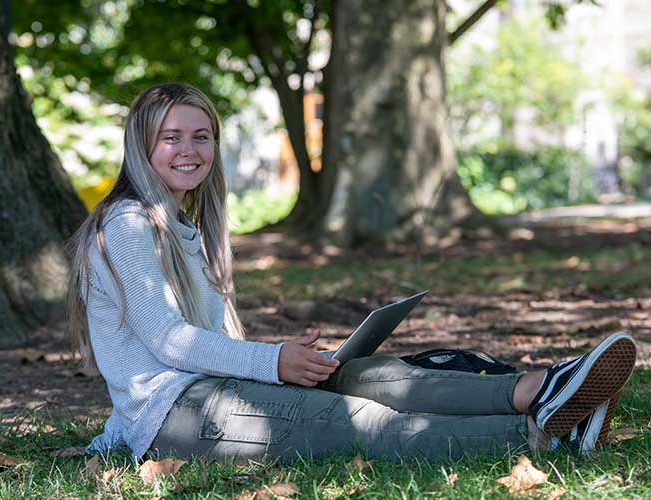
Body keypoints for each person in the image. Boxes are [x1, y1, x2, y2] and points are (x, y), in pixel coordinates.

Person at [67, 83, 637, 463]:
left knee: (374, 376)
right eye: (171, 137)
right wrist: (272, 361)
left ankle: (544, 390)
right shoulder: (125, 224)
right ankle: (546, 439)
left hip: (208, 389)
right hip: (174, 414)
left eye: (201, 135)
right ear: (142, 146)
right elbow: (168, 343)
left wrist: (284, 364)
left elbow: (207, 343)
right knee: (359, 420)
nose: (189, 149)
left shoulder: (185, 225)